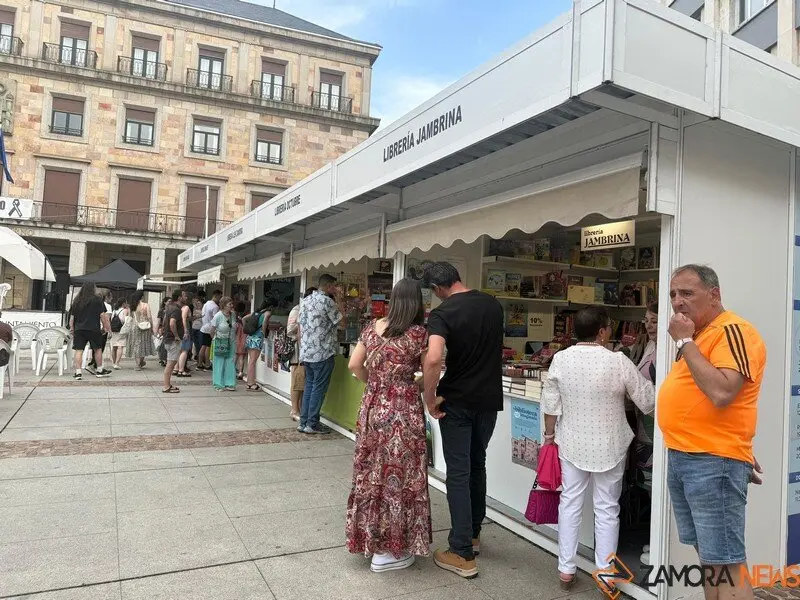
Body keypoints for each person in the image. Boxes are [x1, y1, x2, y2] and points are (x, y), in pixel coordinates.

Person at [658, 264, 766, 600]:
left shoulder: (732, 330)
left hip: (711, 462)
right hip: (690, 456)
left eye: (687, 293)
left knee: (728, 563)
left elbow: (722, 392)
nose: (678, 301)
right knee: (710, 558)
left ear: (714, 295)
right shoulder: (702, 336)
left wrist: (685, 341)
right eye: (674, 294)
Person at [541, 306, 655, 590]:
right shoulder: (617, 362)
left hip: (572, 442)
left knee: (570, 503)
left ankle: (566, 569)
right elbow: (648, 401)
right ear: (603, 332)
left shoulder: (561, 360)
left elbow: (551, 405)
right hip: (610, 445)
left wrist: (549, 435)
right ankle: (606, 573)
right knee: (607, 508)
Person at [422, 261, 503, 579]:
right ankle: (473, 534)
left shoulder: (442, 313)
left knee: (457, 472)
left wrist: (430, 397)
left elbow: (432, 357)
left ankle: (461, 552)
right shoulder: (492, 304)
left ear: (437, 289)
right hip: (488, 400)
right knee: (477, 464)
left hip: (456, 400)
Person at [346, 278, 432, 573]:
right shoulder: (419, 333)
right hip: (403, 410)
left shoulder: (372, 328)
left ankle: (369, 541)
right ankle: (390, 552)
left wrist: (377, 385)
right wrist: (418, 389)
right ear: (417, 302)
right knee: (403, 476)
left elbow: (354, 365)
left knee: (371, 472)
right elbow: (430, 367)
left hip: (372, 408)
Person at [297, 275, 342, 434]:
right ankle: (312, 423)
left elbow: (300, 324)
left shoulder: (306, 301)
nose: (335, 289)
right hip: (322, 352)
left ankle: (303, 422)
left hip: (307, 351)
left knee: (309, 386)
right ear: (329, 286)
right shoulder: (328, 302)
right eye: (334, 286)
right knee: (318, 388)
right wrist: (339, 300)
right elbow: (341, 322)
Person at [635, 301, 658, 565]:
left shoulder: (668, 348)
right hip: (646, 426)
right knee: (649, 484)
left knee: (656, 485)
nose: (648, 325)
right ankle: (654, 536)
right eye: (646, 320)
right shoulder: (650, 345)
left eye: (653, 320)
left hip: (656, 427)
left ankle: (659, 542)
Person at [70, 282, 112, 380]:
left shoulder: (77, 300)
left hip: (79, 329)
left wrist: (72, 328)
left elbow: (72, 317)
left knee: (79, 350)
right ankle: (99, 370)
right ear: (93, 289)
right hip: (93, 328)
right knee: (97, 349)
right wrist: (106, 328)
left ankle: (78, 373)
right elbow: (103, 316)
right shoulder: (97, 299)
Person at [287, 287, 316, 421]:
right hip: (298, 352)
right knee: (297, 381)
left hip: (308, 352)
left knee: (304, 382)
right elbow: (290, 330)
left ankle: (301, 409)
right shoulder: (297, 310)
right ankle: (294, 410)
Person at [210, 296, 237, 391]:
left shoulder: (233, 315)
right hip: (220, 341)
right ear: (224, 305)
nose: (232, 306)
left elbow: (234, 327)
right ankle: (218, 384)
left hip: (231, 342)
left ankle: (229, 383)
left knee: (230, 362)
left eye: (232, 304)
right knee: (219, 363)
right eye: (230, 304)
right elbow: (212, 330)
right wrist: (215, 339)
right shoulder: (218, 316)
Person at [245, 301, 271, 392]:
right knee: (253, 362)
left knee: (250, 361)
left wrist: (248, 328)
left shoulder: (256, 313)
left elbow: (244, 318)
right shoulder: (267, 313)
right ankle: (251, 383)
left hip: (250, 337)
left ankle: (249, 382)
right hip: (258, 338)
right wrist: (263, 333)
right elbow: (264, 323)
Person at [161, 289, 183, 393]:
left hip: (168, 338)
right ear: (179, 297)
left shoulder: (169, 307)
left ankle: (168, 384)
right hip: (172, 340)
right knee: (171, 364)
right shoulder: (176, 309)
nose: (186, 298)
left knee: (171, 363)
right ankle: (166, 386)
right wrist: (177, 336)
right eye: (184, 296)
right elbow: (172, 323)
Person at [126, 290, 154, 370]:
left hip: (134, 327)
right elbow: (149, 317)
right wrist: (152, 327)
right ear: (142, 297)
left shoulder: (132, 306)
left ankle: (138, 364)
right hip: (145, 327)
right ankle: (140, 362)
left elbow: (129, 317)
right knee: (143, 345)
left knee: (136, 345)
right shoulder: (146, 305)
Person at [199, 289, 221, 370]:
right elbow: (216, 319)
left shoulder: (206, 303)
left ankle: (200, 363)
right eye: (219, 297)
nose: (220, 299)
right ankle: (207, 364)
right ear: (216, 296)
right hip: (210, 328)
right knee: (208, 347)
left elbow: (203, 314)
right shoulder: (215, 306)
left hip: (203, 327)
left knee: (203, 346)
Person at [176, 291, 194, 378]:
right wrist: (186, 330)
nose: (186, 298)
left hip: (179, 330)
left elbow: (187, 318)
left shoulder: (178, 307)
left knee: (179, 350)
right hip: (184, 331)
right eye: (185, 296)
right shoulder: (186, 307)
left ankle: (176, 368)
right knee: (184, 350)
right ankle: (181, 370)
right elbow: (184, 318)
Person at [109, 298, 129, 369]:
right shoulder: (125, 310)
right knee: (120, 346)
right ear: (123, 303)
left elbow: (111, 319)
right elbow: (125, 320)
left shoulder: (114, 311)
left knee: (114, 347)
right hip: (121, 330)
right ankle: (117, 363)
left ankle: (113, 363)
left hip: (114, 330)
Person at [234, 301, 247, 380]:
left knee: (235, 357)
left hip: (236, 340)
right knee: (241, 357)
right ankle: (240, 372)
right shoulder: (245, 318)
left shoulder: (235, 319)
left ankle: (232, 371)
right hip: (244, 339)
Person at [191, 296, 204, 363]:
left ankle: (200, 361)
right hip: (194, 328)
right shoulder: (194, 310)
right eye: (197, 303)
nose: (198, 305)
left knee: (200, 345)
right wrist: (196, 317)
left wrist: (199, 316)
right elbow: (192, 319)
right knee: (196, 345)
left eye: (199, 303)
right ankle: (198, 360)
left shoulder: (204, 311)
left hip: (200, 329)